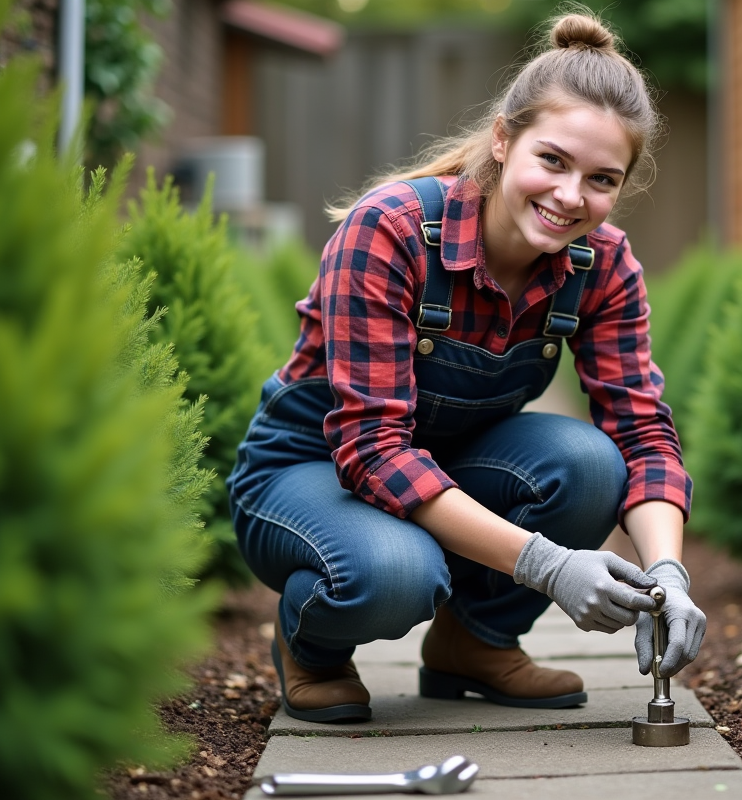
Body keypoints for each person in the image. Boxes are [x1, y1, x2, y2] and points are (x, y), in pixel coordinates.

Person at [226, 10, 706, 724]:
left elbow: (642, 433)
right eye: (553, 160)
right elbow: (372, 450)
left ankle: (474, 645)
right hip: (313, 470)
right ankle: (313, 646)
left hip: (446, 463)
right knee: (394, 572)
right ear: (504, 140)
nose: (572, 196)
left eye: (602, 179)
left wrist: (668, 570)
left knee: (591, 463)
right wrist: (547, 565)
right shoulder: (389, 230)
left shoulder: (602, 264)